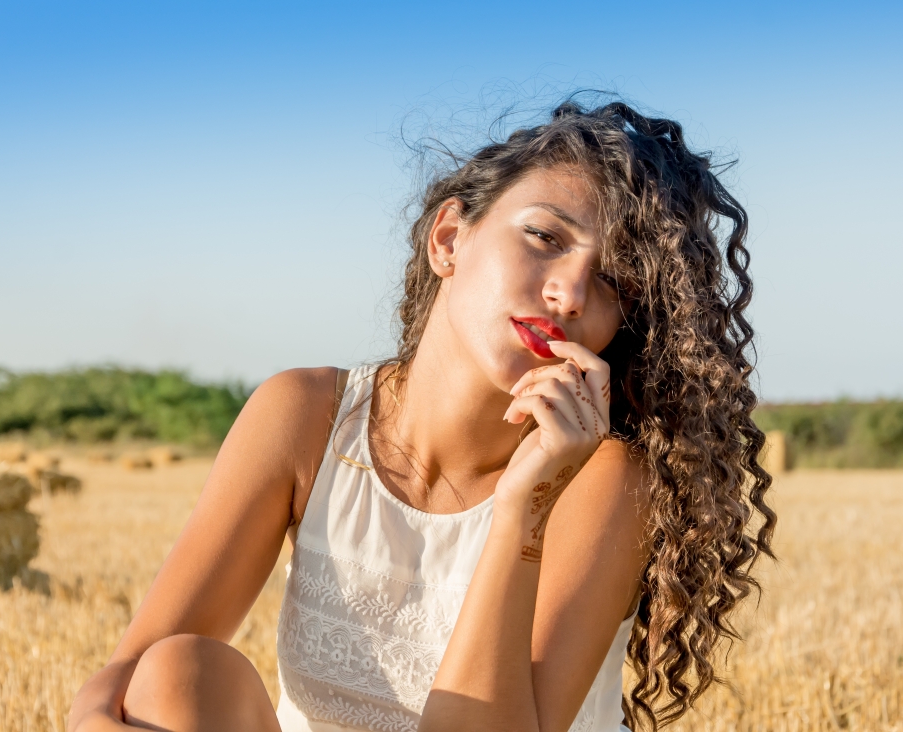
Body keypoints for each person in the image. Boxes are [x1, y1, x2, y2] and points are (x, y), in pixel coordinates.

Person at [67, 99, 776, 732]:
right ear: (448, 240)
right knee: (175, 675)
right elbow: (129, 676)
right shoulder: (306, 415)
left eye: (613, 281)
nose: (567, 294)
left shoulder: (607, 481)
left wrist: (524, 507)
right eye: (545, 238)